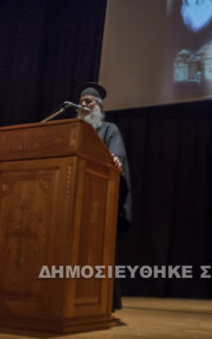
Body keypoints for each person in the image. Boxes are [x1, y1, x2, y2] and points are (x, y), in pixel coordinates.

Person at [77, 81, 132, 310]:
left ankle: (102, 302)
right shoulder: (74, 131)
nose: (84, 105)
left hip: (98, 198)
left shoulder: (109, 129)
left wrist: (114, 158)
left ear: (99, 105)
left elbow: (116, 155)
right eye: (81, 102)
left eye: (88, 101)